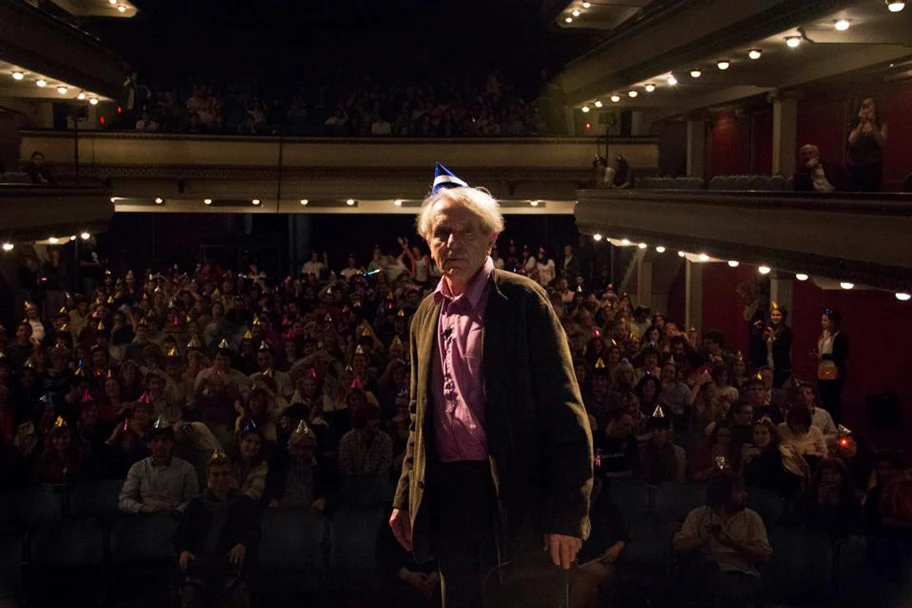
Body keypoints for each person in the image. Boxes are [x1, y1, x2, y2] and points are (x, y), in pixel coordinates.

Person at [389, 163, 593, 608]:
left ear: (491, 239)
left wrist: (565, 514)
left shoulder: (522, 301)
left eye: (467, 232)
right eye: (442, 233)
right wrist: (406, 496)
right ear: (427, 242)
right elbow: (419, 420)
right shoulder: (425, 314)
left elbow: (566, 412)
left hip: (518, 496)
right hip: (449, 494)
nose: (452, 243)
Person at [174, 451, 260, 608]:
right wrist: (183, 551)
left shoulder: (244, 504)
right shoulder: (196, 506)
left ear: (232, 476)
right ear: (209, 478)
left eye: (225, 474)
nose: (221, 479)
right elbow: (180, 536)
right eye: (216, 475)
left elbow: (254, 532)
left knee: (239, 594)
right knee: (190, 595)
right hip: (200, 567)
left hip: (231, 568)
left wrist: (243, 544)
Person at [673, 472, 772, 606]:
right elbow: (678, 546)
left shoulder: (751, 518)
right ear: (723, 494)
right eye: (738, 491)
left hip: (740, 575)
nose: (745, 494)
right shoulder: (699, 515)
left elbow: (764, 555)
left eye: (744, 490)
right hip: (705, 574)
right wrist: (702, 540)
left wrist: (731, 543)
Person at [569, 476, 628, 608]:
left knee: (593, 573)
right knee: (592, 593)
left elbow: (622, 536)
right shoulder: (574, 510)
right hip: (574, 562)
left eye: (596, 484)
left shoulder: (608, 509)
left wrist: (616, 548)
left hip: (601, 561)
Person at [119, 418, 200, 514]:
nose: (160, 444)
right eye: (156, 440)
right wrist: (143, 508)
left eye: (164, 440)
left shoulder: (186, 469)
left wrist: (177, 511)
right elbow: (124, 501)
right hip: (145, 518)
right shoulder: (138, 468)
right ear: (149, 444)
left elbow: (193, 500)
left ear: (171, 443)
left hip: (176, 520)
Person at [338, 403, 393, 476]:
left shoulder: (385, 440)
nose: (377, 422)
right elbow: (345, 468)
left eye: (377, 418)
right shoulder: (347, 440)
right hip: (353, 484)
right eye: (372, 419)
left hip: (378, 484)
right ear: (362, 420)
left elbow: (385, 467)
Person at [846, 97, 887, 192]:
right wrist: (861, 122)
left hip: (873, 168)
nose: (867, 108)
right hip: (854, 167)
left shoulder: (881, 124)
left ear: (875, 106)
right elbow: (852, 141)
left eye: (869, 105)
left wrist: (872, 123)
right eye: (864, 106)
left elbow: (880, 143)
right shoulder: (855, 124)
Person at [816, 308, 848, 424]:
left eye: (825, 320)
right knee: (824, 396)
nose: (822, 323)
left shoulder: (839, 336)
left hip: (834, 370)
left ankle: (834, 421)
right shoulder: (824, 335)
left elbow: (841, 355)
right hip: (823, 369)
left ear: (832, 322)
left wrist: (823, 356)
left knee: (833, 398)